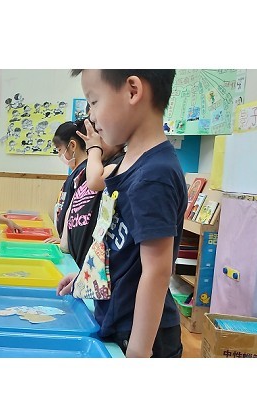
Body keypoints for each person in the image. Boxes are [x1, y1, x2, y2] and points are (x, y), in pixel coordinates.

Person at [58, 70, 186, 358]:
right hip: (119, 318)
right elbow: (117, 246)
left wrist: (139, 351)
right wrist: (84, 278)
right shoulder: (129, 162)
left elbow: (156, 270)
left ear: (132, 91)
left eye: (93, 102)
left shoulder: (154, 175)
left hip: (143, 334)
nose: (91, 117)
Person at [57, 119, 125, 268]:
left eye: (99, 135)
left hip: (93, 262)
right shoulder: (94, 167)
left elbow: (95, 182)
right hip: (76, 257)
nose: (93, 142)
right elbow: (73, 205)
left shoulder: (120, 163)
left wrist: (94, 148)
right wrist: (65, 242)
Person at [50, 120, 89, 237]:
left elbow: (80, 214)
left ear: (72, 146)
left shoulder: (84, 173)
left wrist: (66, 240)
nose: (59, 155)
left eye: (59, 150)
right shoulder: (76, 172)